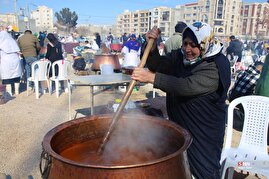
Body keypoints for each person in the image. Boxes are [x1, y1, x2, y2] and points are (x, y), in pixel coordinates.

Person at [131, 22, 231, 178]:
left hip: (204, 130)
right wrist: (151, 46)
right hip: (181, 124)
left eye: (193, 45)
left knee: (205, 171)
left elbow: (186, 86)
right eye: (185, 44)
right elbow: (158, 65)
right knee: (181, 167)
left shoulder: (215, 65)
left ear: (205, 43)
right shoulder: (180, 56)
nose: (187, 49)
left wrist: (152, 78)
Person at [0, 30, 22, 96]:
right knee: (16, 76)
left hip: (6, 60)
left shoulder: (1, 42)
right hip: (15, 59)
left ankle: (9, 92)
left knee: (7, 76)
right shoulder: (12, 41)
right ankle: (17, 91)